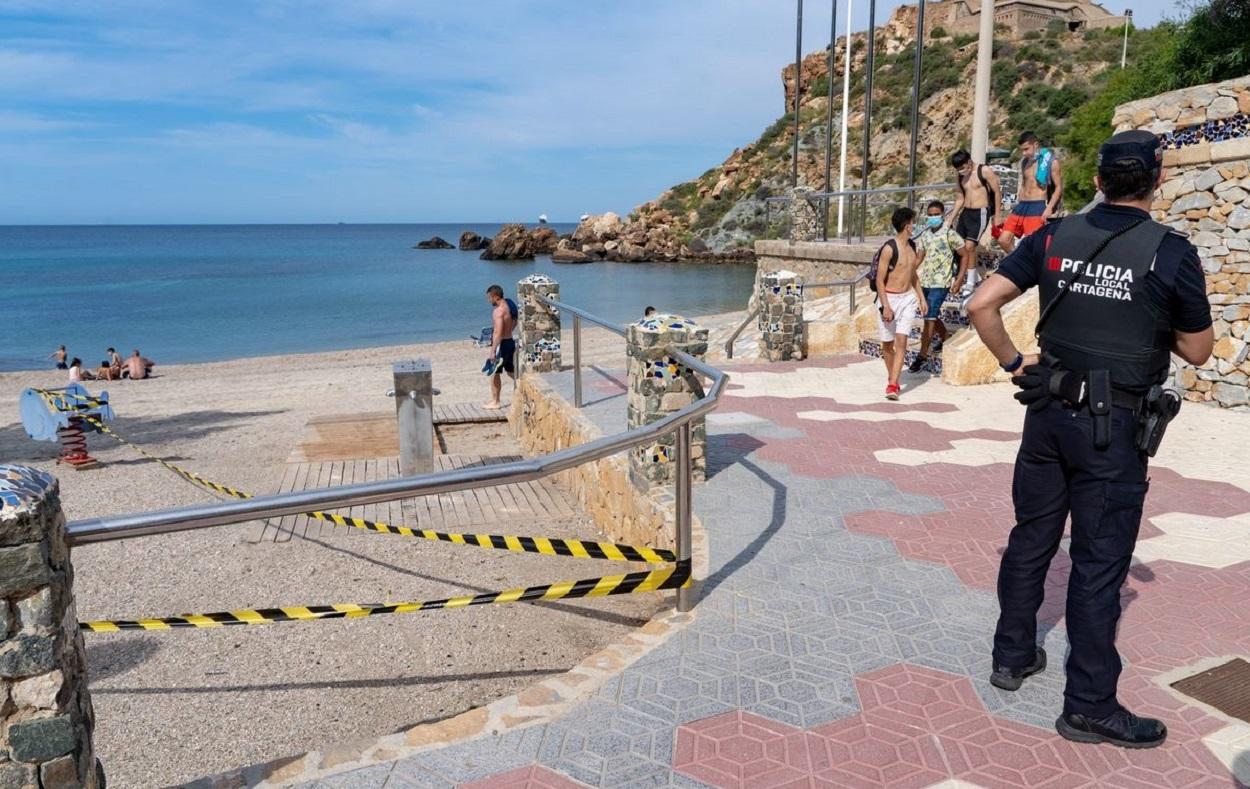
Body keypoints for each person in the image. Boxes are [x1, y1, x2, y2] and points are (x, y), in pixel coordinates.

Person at [967, 130, 1213, 749]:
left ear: (1098, 180)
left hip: (1047, 413)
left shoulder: (1053, 236)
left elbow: (981, 304)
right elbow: (1200, 348)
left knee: (1031, 538)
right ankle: (1089, 705)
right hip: (1113, 427)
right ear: (1156, 182)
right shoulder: (1171, 253)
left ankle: (1012, 656)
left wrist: (1013, 363)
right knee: (1099, 566)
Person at [874, 206, 926, 400]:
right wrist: (886, 305)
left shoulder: (912, 247)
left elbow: (912, 275)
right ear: (907, 225)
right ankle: (892, 377)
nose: (915, 225)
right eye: (913, 222)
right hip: (888, 298)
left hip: (907, 299)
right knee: (887, 345)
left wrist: (921, 297)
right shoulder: (889, 248)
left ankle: (893, 385)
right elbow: (880, 279)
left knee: (901, 340)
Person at [910, 200, 965, 373]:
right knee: (929, 314)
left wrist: (959, 279)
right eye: (931, 214)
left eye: (936, 214)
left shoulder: (950, 234)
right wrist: (906, 272)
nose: (933, 217)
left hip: (941, 283)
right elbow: (919, 258)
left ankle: (922, 355)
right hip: (925, 282)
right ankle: (944, 336)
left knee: (929, 318)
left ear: (942, 214)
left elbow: (965, 255)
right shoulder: (925, 236)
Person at [1000, 131, 1064, 253]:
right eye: (1022, 150)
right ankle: (1018, 260)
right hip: (1021, 206)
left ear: (1036, 144)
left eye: (1026, 149)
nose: (1024, 153)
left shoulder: (1051, 162)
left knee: (1033, 245)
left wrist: (1049, 208)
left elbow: (1058, 188)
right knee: (1003, 240)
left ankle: (1028, 268)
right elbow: (1024, 184)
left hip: (1037, 205)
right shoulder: (1025, 161)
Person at [949, 149, 1002, 296]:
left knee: (970, 246)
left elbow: (997, 192)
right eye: (958, 169)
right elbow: (960, 198)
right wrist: (950, 219)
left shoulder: (984, 171)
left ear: (969, 162)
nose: (961, 171)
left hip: (980, 213)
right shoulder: (960, 177)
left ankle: (970, 282)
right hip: (966, 212)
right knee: (959, 246)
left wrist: (997, 215)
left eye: (962, 167)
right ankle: (973, 275)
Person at [483, 284, 517, 409]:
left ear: (495, 296)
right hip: (510, 342)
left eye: (489, 298)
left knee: (494, 373)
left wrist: (493, 351)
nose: (489, 300)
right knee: (511, 372)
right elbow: (515, 321)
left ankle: (496, 401)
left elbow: (498, 332)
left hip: (501, 345)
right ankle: (524, 389)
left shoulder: (498, 311)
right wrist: (510, 332)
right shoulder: (510, 305)